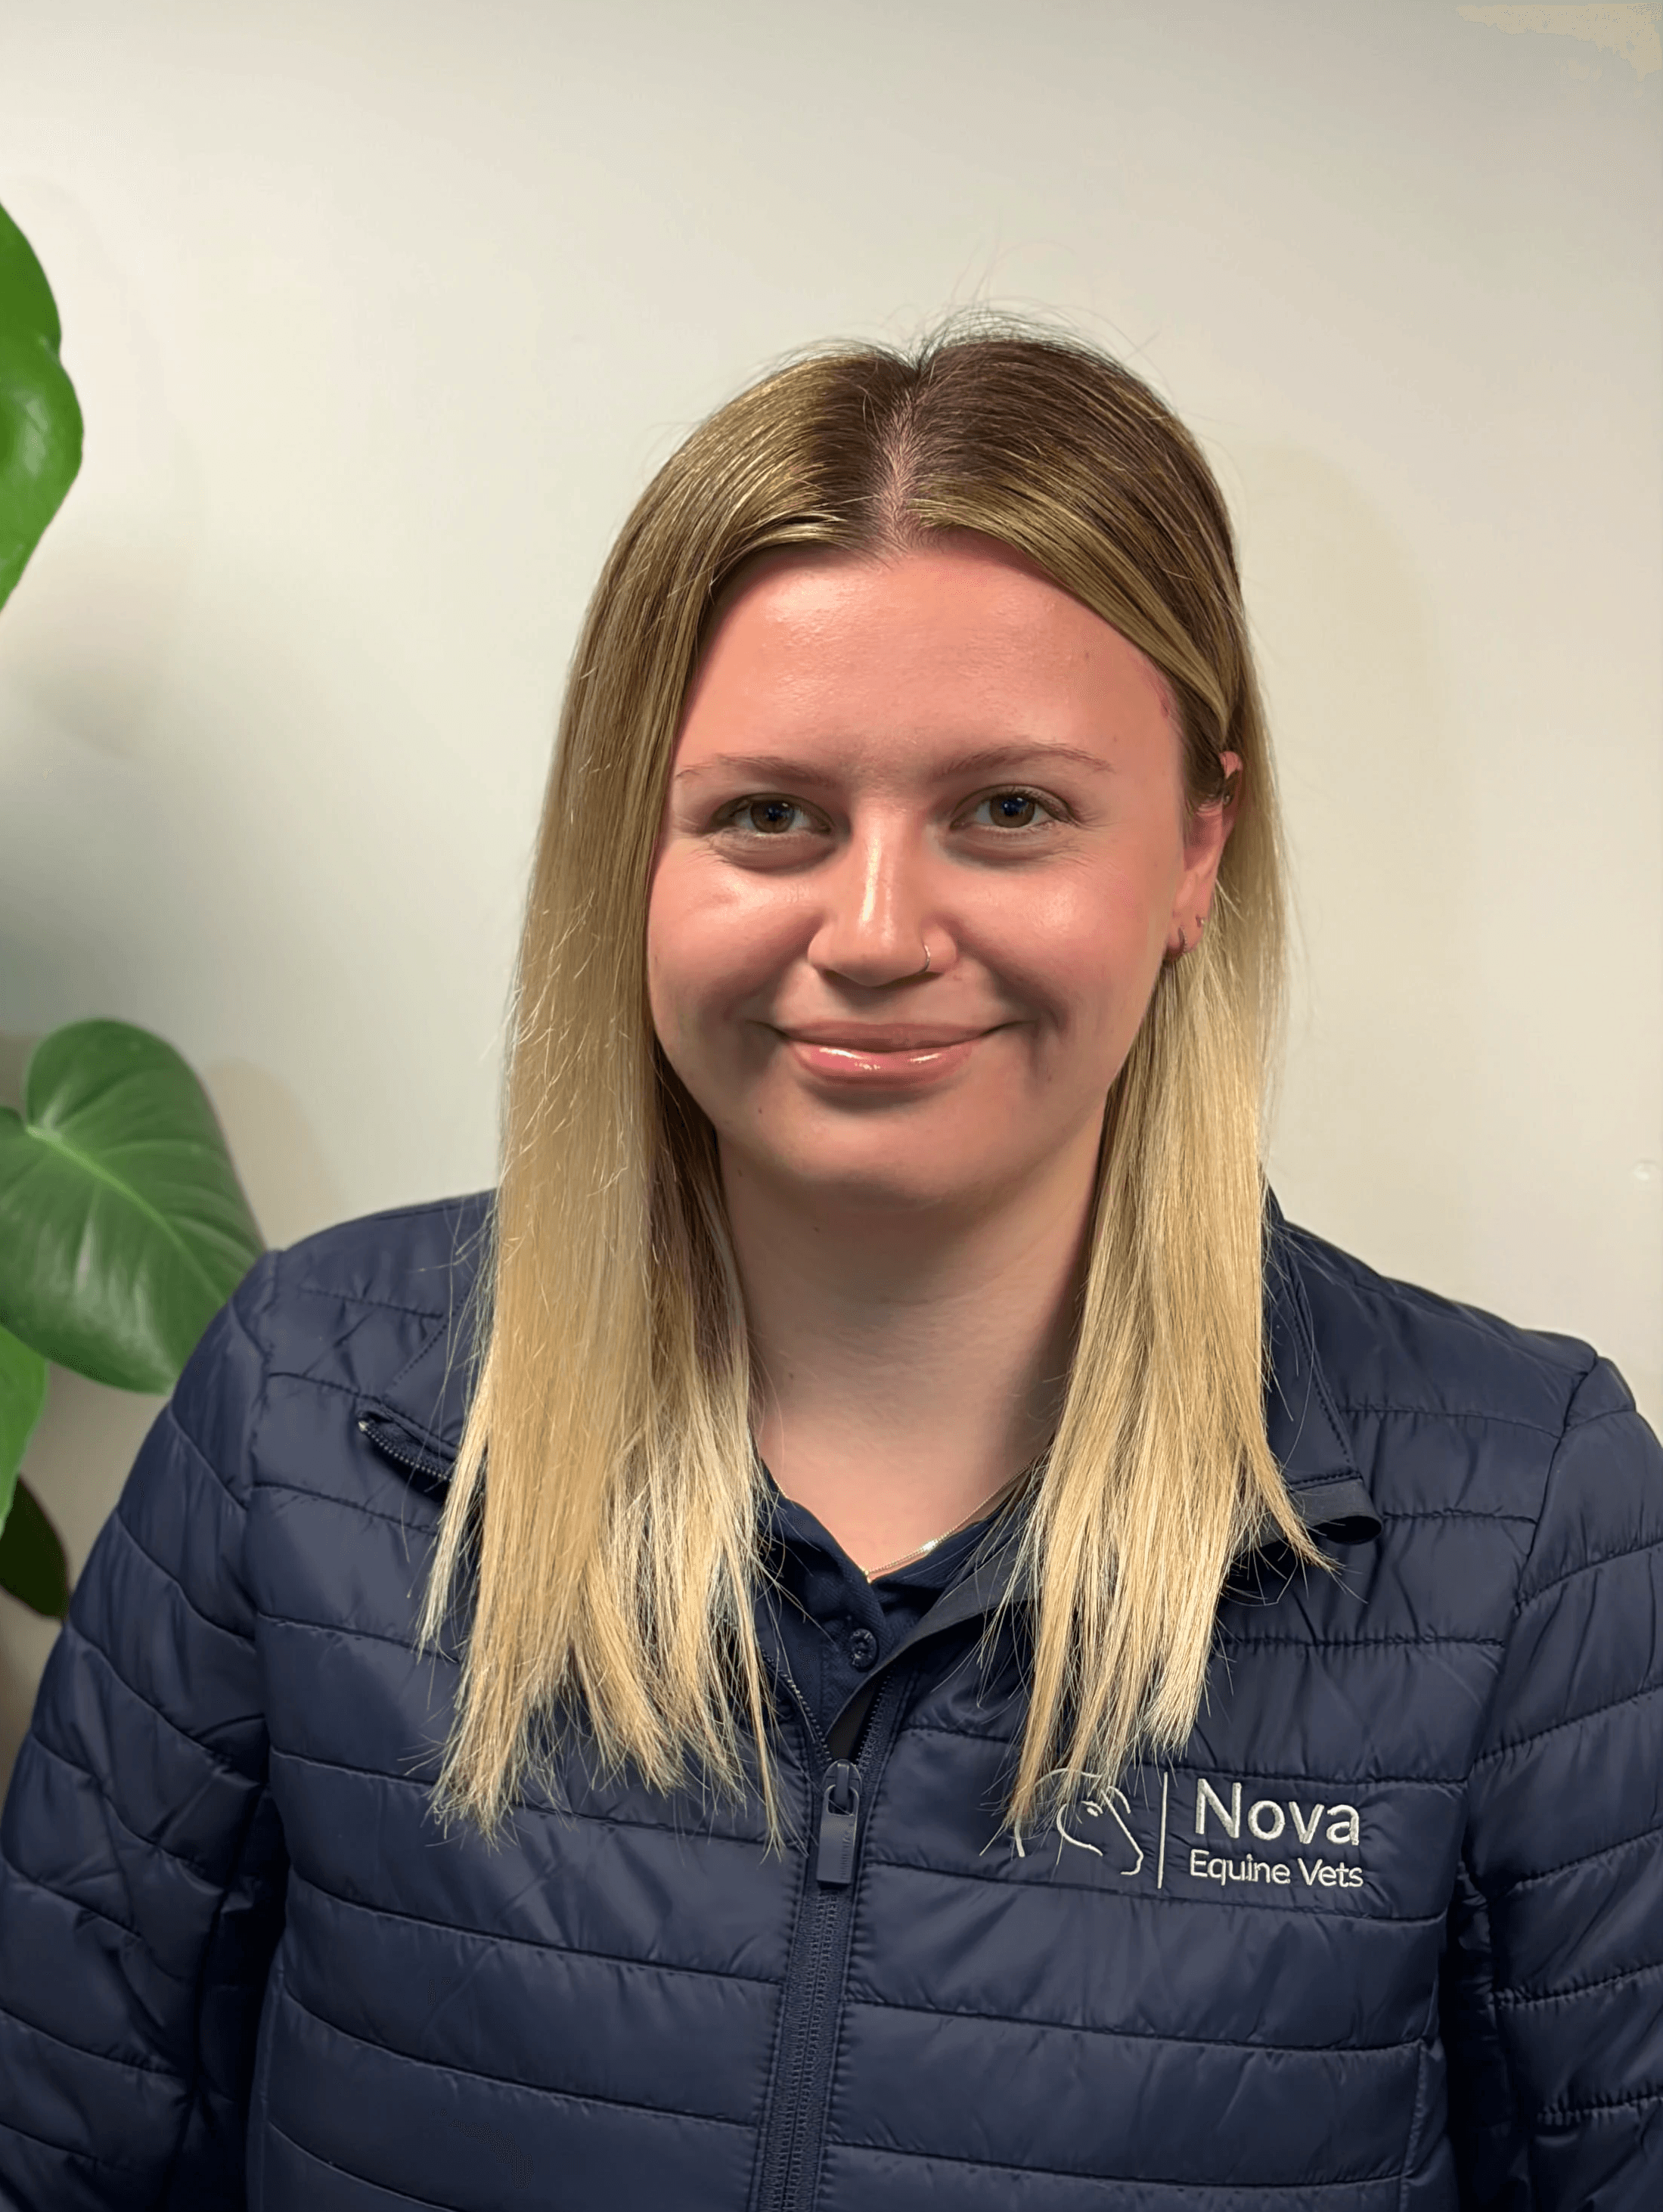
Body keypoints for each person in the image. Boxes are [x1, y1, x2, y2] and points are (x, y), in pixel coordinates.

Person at [1, 328, 1658, 2212]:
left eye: (1009, 810)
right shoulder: (301, 1418)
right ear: (635, 844)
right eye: (769, 814)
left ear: (1197, 844)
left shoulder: (1523, 1521)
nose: (875, 931)